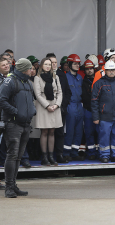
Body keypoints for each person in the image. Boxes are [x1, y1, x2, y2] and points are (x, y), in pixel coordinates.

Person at [0, 58, 36, 198]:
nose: (31, 70)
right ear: (23, 69)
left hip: (25, 124)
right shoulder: (10, 82)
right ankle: (9, 187)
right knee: (12, 155)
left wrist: (32, 111)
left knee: (18, 157)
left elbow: (31, 100)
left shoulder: (27, 82)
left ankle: (13, 185)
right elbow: (1, 100)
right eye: (29, 68)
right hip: (13, 124)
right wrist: (16, 112)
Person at [91, 60, 115, 163]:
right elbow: (94, 101)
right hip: (104, 117)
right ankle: (104, 155)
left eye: (113, 70)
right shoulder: (99, 84)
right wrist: (96, 117)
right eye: (109, 70)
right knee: (104, 136)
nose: (111, 72)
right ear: (105, 71)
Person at [33, 58, 63, 166]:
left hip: (54, 106)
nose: (48, 66)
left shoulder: (56, 77)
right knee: (44, 132)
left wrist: (56, 105)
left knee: (52, 132)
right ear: (41, 66)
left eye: (49, 64)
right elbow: (38, 95)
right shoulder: (37, 78)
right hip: (43, 107)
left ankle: (51, 156)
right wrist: (47, 106)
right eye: (45, 64)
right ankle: (44, 157)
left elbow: (60, 93)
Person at [46, 53, 71, 163]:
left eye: (56, 62)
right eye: (52, 63)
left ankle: (59, 155)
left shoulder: (62, 74)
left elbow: (67, 92)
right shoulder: (43, 75)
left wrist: (61, 105)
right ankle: (47, 156)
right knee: (47, 132)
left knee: (60, 133)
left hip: (60, 109)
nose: (54, 64)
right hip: (48, 109)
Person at [63, 54, 84, 161]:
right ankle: (66, 152)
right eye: (75, 63)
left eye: (78, 63)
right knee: (69, 130)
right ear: (70, 64)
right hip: (70, 105)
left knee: (79, 130)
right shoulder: (65, 77)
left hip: (79, 105)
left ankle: (74, 152)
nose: (77, 65)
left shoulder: (80, 77)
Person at [82, 59, 97, 160]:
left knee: (100, 132)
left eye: (91, 68)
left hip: (98, 110)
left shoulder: (98, 80)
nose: (89, 71)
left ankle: (101, 152)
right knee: (89, 132)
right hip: (87, 110)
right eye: (87, 69)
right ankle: (91, 152)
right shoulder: (83, 81)